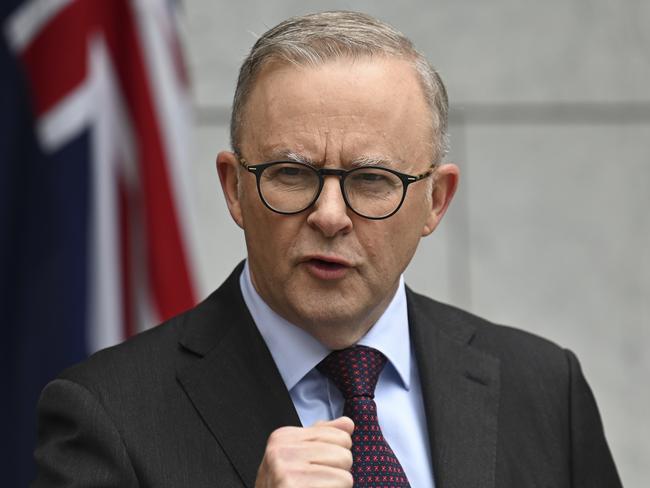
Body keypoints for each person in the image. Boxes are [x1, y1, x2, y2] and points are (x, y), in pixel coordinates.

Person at [32, 11, 622, 488]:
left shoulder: (544, 388)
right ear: (235, 189)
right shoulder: (104, 413)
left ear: (436, 202)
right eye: (292, 173)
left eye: (371, 181)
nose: (330, 216)